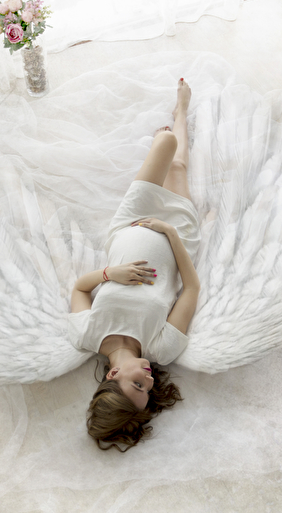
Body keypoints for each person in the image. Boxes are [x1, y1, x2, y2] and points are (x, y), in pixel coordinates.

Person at [69, 78, 200, 451]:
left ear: (112, 374)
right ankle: (182, 110)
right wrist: (170, 233)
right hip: (178, 235)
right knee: (177, 166)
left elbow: (79, 287)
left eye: (138, 385)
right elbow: (191, 288)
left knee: (165, 142)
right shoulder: (161, 350)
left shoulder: (86, 335)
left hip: (129, 225)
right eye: (148, 390)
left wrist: (110, 274)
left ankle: (171, 131)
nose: (151, 380)